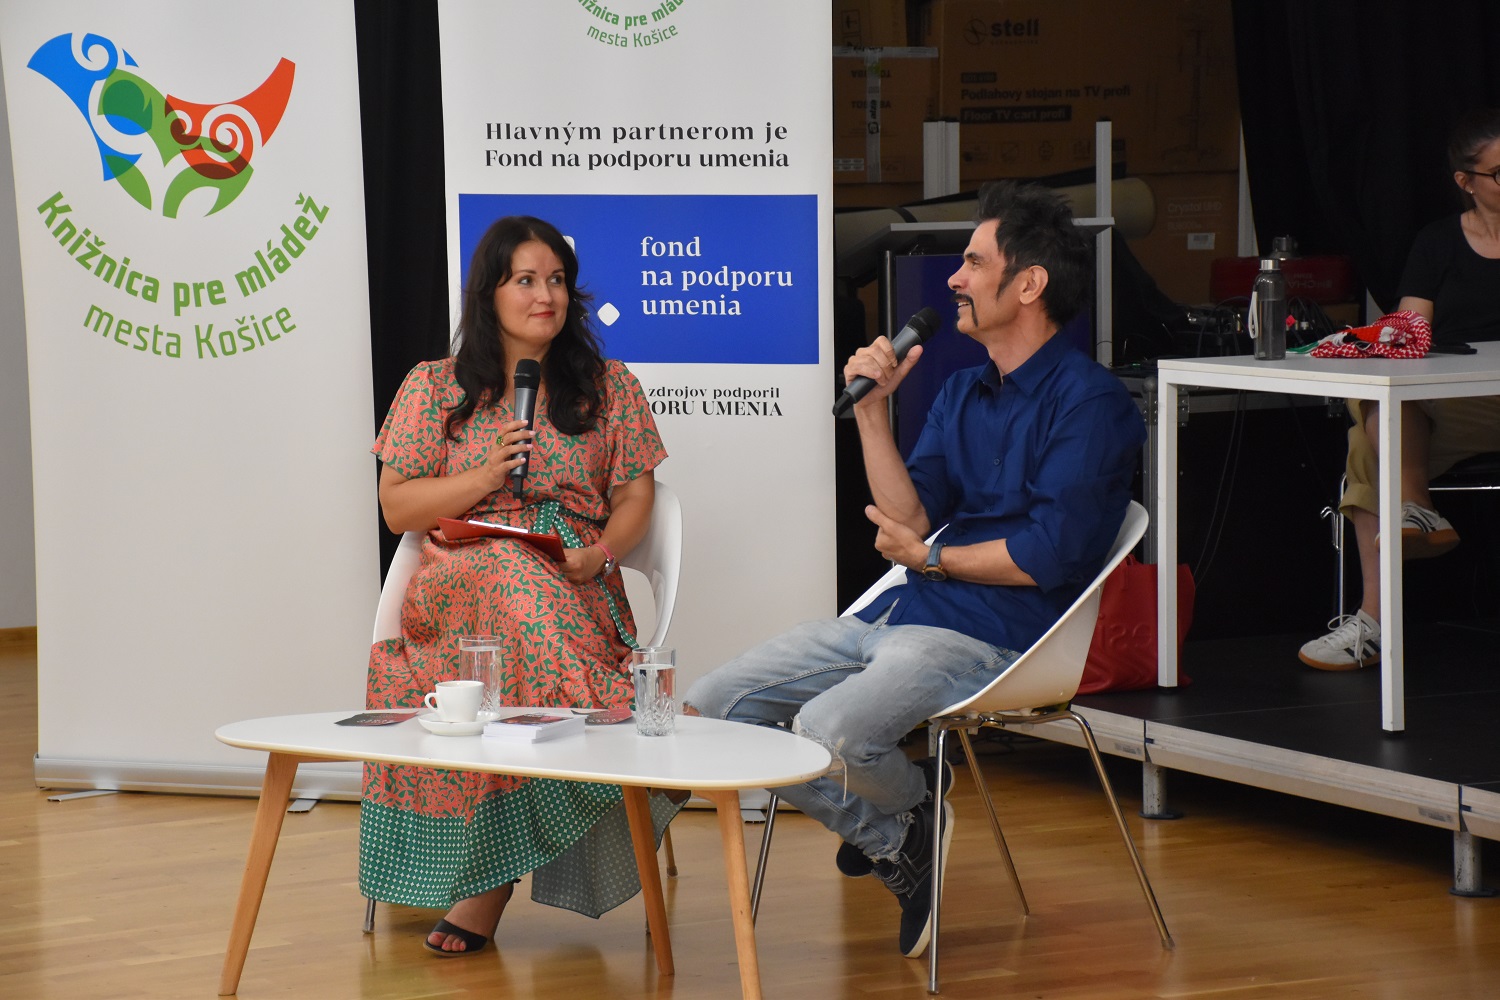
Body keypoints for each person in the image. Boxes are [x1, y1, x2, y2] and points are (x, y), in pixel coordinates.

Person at [683, 181, 1146, 959]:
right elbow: (909, 518)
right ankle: (903, 830)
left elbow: (1046, 556)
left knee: (827, 731)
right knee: (711, 706)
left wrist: (930, 558)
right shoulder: (964, 390)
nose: (954, 279)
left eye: (974, 263)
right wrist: (871, 411)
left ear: (1029, 284)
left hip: (999, 636)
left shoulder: (1090, 404)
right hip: (901, 613)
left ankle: (898, 824)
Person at [362, 215, 675, 955]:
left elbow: (637, 497)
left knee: (521, 587)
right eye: (526, 280)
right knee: (505, 572)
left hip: (571, 576)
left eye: (557, 280)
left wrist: (600, 554)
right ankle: (621, 714)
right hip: (459, 579)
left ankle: (488, 881)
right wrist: (482, 477)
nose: (546, 296)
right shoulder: (433, 386)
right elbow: (397, 506)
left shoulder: (610, 387)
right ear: (489, 294)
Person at [1299, 109, 1500, 671]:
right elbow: (1409, 333)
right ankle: (1403, 545)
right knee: (1379, 410)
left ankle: (1380, 607)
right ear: (1466, 182)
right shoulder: (1438, 242)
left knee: (1368, 441)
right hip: (1454, 406)